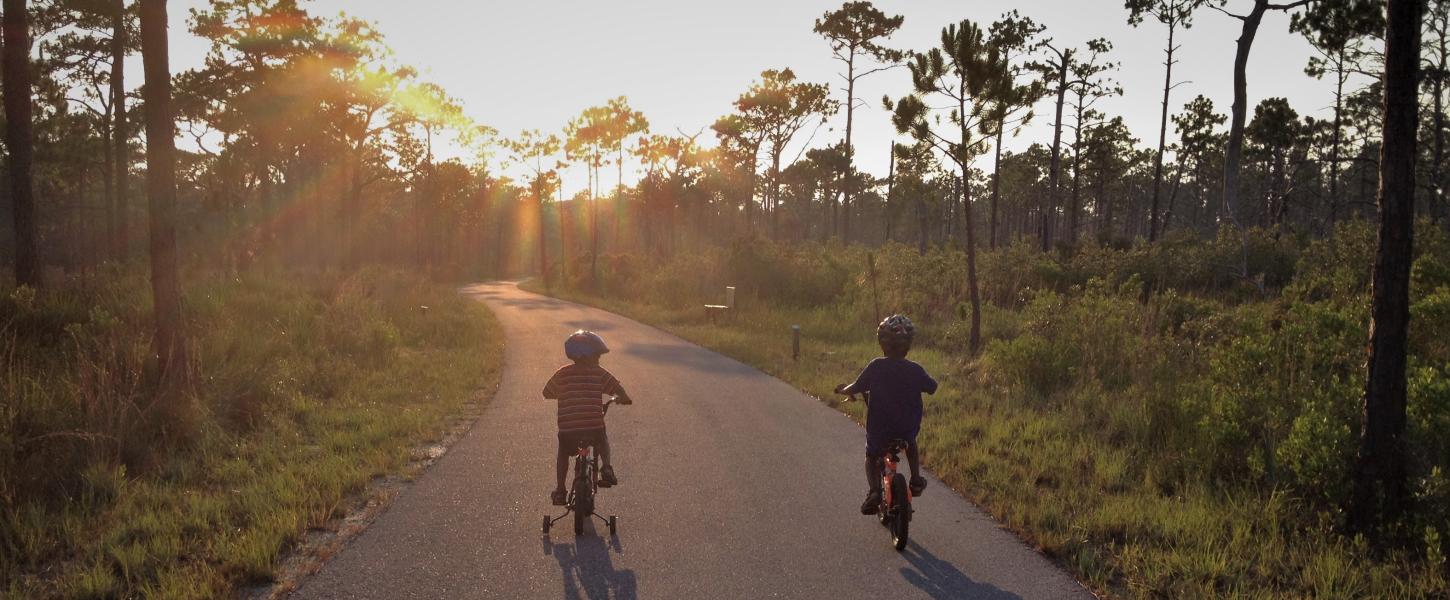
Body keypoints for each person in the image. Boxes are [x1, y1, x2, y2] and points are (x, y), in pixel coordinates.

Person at [835, 315, 938, 515]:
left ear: (882, 344)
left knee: (871, 455)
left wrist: (842, 390)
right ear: (908, 345)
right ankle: (915, 480)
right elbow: (932, 387)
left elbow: (856, 387)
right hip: (906, 428)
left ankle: (874, 491)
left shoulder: (876, 366)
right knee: (911, 443)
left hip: (880, 430)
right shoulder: (915, 369)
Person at [543, 330, 632, 506]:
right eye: (597, 356)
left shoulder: (562, 374)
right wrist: (624, 398)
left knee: (563, 453)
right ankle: (606, 467)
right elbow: (618, 389)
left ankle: (560, 490)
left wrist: (561, 394)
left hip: (568, 431)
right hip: (593, 429)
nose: (599, 359)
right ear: (587, 355)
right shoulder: (598, 373)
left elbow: (546, 393)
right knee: (602, 438)